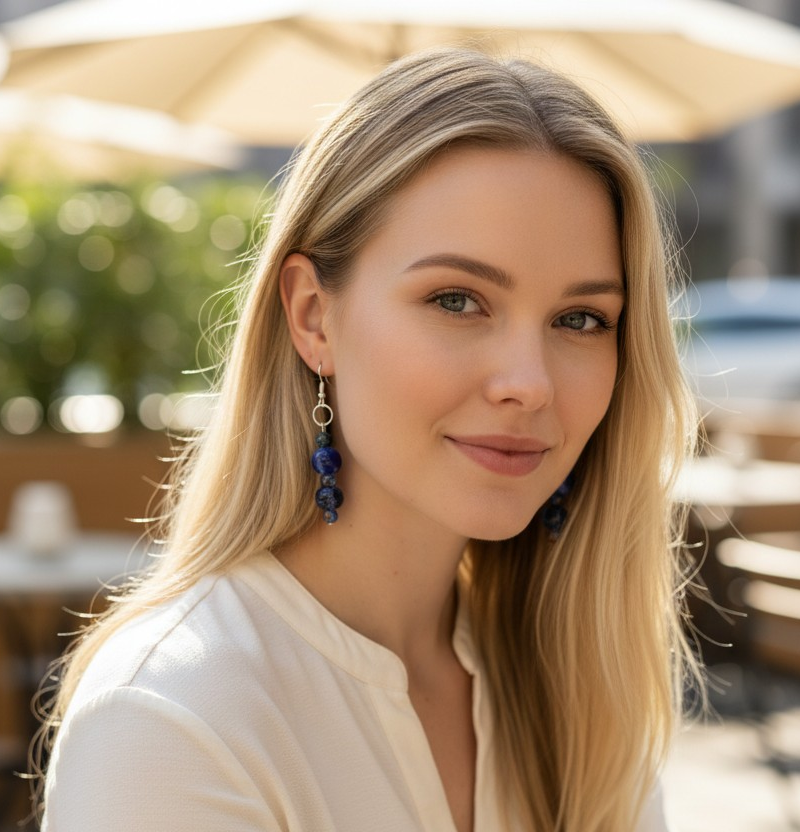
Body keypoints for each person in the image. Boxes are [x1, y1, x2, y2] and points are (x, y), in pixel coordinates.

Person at [35, 47, 702, 832]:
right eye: (458, 300)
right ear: (314, 316)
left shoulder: (583, 688)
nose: (531, 382)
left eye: (581, 319)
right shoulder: (175, 716)